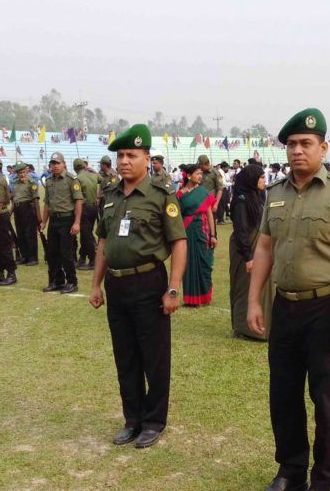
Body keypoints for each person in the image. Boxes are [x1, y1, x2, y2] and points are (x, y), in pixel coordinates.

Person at [246, 108, 330, 491]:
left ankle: (323, 479)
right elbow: (264, 249)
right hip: (285, 306)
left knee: (327, 400)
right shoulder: (276, 194)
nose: (298, 151)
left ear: (323, 147)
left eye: (306, 144)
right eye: (292, 145)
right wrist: (254, 302)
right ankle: (290, 470)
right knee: (283, 393)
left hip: (326, 308)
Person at [89, 124, 187, 449]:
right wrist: (95, 285)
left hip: (149, 282)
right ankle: (132, 419)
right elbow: (103, 242)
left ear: (147, 158)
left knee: (154, 357)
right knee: (125, 356)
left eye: (131, 155)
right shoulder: (111, 195)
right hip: (117, 286)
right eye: (120, 155)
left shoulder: (161, 195)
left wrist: (173, 287)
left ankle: (154, 421)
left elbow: (179, 242)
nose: (124, 161)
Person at [229, 163, 269, 339]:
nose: (264, 180)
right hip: (245, 249)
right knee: (244, 286)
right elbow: (241, 230)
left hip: (257, 247)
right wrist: (248, 257)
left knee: (260, 286)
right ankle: (243, 328)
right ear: (252, 179)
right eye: (261, 177)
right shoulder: (241, 200)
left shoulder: (257, 196)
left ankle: (260, 326)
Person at [39, 152, 83, 294]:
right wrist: (44, 222)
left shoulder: (71, 179)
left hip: (67, 219)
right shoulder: (49, 181)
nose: (55, 166)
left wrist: (77, 222)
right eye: (53, 163)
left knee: (66, 253)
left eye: (58, 163)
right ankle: (57, 281)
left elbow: (78, 201)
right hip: (54, 220)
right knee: (52, 253)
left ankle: (72, 282)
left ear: (64, 164)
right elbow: (47, 203)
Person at [177, 164, 216, 305]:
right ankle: (191, 298)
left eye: (201, 174)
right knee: (187, 264)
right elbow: (178, 216)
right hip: (186, 231)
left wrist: (213, 235)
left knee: (203, 262)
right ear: (188, 176)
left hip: (202, 230)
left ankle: (204, 296)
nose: (200, 176)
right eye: (197, 174)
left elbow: (209, 214)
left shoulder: (204, 193)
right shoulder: (179, 195)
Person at [11, 162, 40, 266]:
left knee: (30, 234)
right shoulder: (15, 183)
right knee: (21, 234)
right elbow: (14, 199)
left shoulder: (32, 183)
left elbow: (36, 200)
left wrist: (38, 217)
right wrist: (10, 212)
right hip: (18, 210)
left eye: (23, 172)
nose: (22, 175)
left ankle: (33, 258)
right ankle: (25, 256)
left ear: (27, 171)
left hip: (28, 209)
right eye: (19, 173)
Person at [74, 158, 99, 270]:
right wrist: (93, 171)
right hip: (94, 207)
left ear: (75, 168)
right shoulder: (93, 176)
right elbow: (101, 179)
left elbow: (77, 197)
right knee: (86, 233)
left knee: (86, 235)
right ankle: (82, 258)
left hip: (84, 208)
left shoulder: (77, 179)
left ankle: (93, 260)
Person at [197, 154, 224, 218]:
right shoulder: (201, 172)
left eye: (201, 166)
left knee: (211, 222)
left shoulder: (216, 173)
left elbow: (220, 190)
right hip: (201, 201)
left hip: (211, 202)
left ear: (207, 164)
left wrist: (216, 204)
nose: (200, 167)